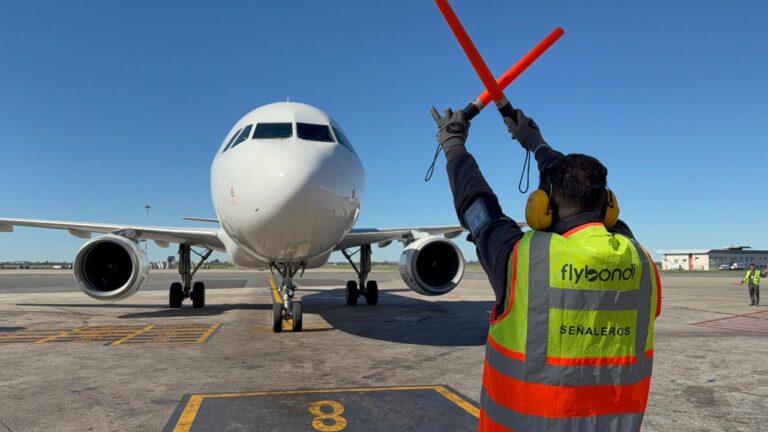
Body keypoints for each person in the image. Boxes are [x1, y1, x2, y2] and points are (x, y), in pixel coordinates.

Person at [433, 107, 662, 431]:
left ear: (543, 208)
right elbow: (602, 214)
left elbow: (477, 206)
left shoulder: (521, 259)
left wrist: (453, 146)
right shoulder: (640, 261)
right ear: (609, 206)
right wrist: (536, 144)